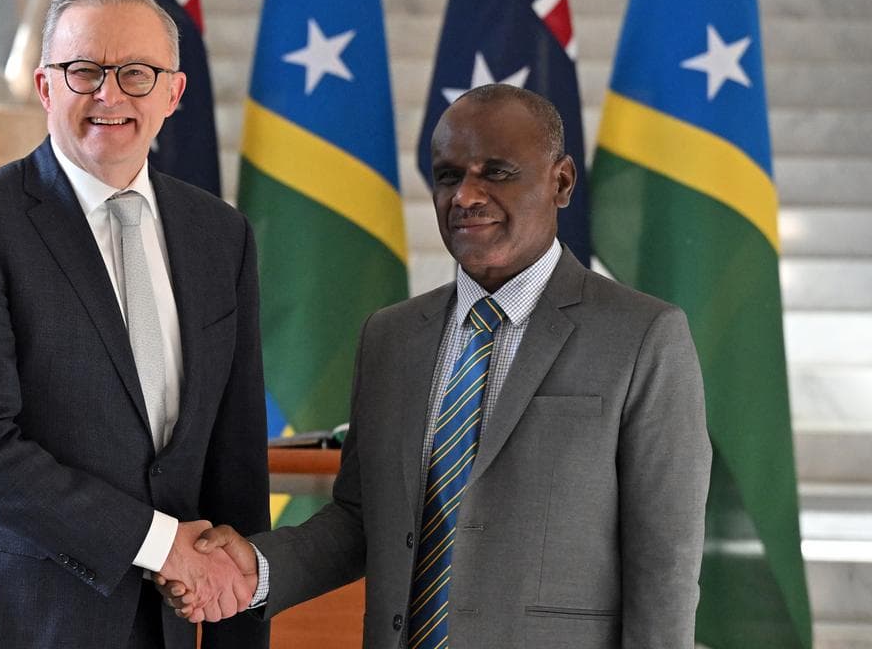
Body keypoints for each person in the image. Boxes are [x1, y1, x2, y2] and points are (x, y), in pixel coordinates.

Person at [162, 84, 712, 648]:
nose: (466, 196)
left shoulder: (643, 336)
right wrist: (255, 569)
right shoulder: (391, 337)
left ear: (562, 182)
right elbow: (360, 520)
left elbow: (663, 561)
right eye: (449, 176)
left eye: (496, 172)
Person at [0, 0, 268, 649]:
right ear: (45, 87)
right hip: (9, 621)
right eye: (84, 71)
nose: (110, 94)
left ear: (173, 93)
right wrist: (161, 545)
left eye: (135, 73)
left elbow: (232, 459)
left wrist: (239, 626)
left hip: (160, 627)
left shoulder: (221, 235)